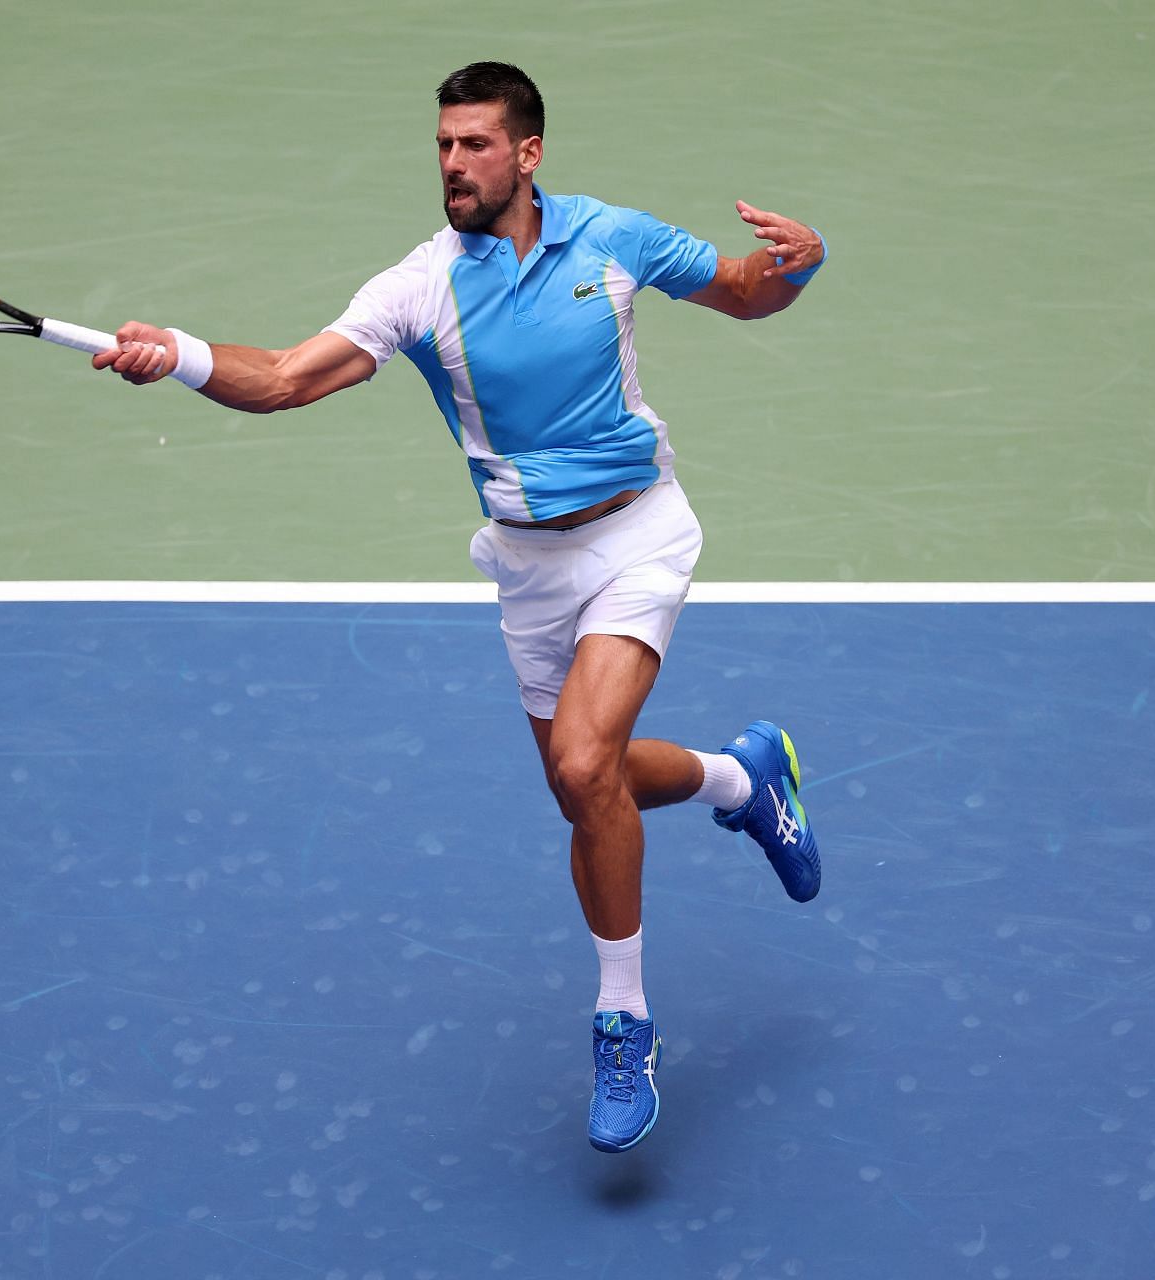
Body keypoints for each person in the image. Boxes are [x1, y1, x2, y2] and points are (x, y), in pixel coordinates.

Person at [93, 61, 826, 1154]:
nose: (452, 163)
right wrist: (185, 357)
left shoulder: (613, 238)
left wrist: (799, 266)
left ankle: (622, 1018)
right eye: (443, 145)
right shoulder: (422, 284)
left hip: (639, 535)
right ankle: (743, 775)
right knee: (590, 785)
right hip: (530, 569)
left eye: (475, 145)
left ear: (528, 154)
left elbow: (743, 288)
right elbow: (290, 375)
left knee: (583, 765)